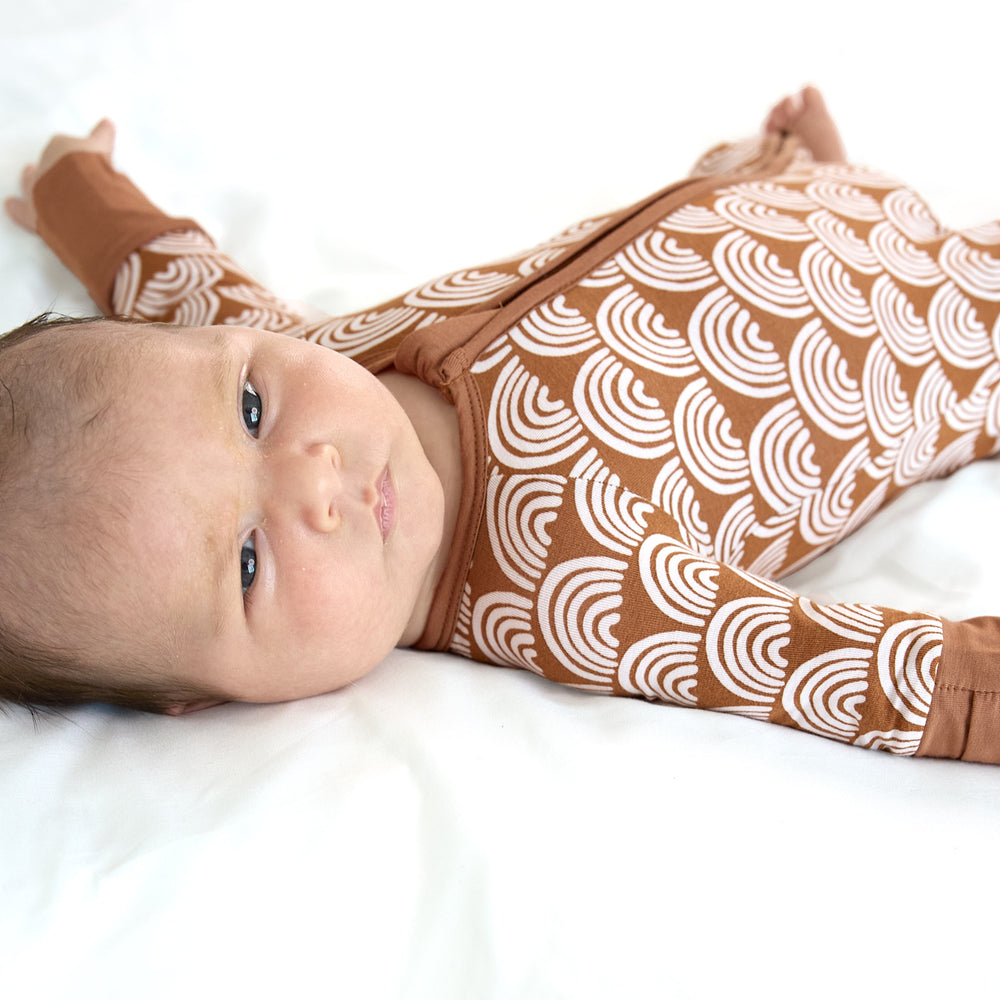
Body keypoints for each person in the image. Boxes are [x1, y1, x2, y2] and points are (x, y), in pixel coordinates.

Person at [3, 87, 999, 761]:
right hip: (951, 328)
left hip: (773, 210)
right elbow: (839, 666)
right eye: (249, 563)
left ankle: (804, 174)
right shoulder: (581, 593)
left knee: (757, 183)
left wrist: (71, 187)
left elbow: (178, 284)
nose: (315, 478)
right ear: (213, 694)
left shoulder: (327, 357)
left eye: (251, 408)